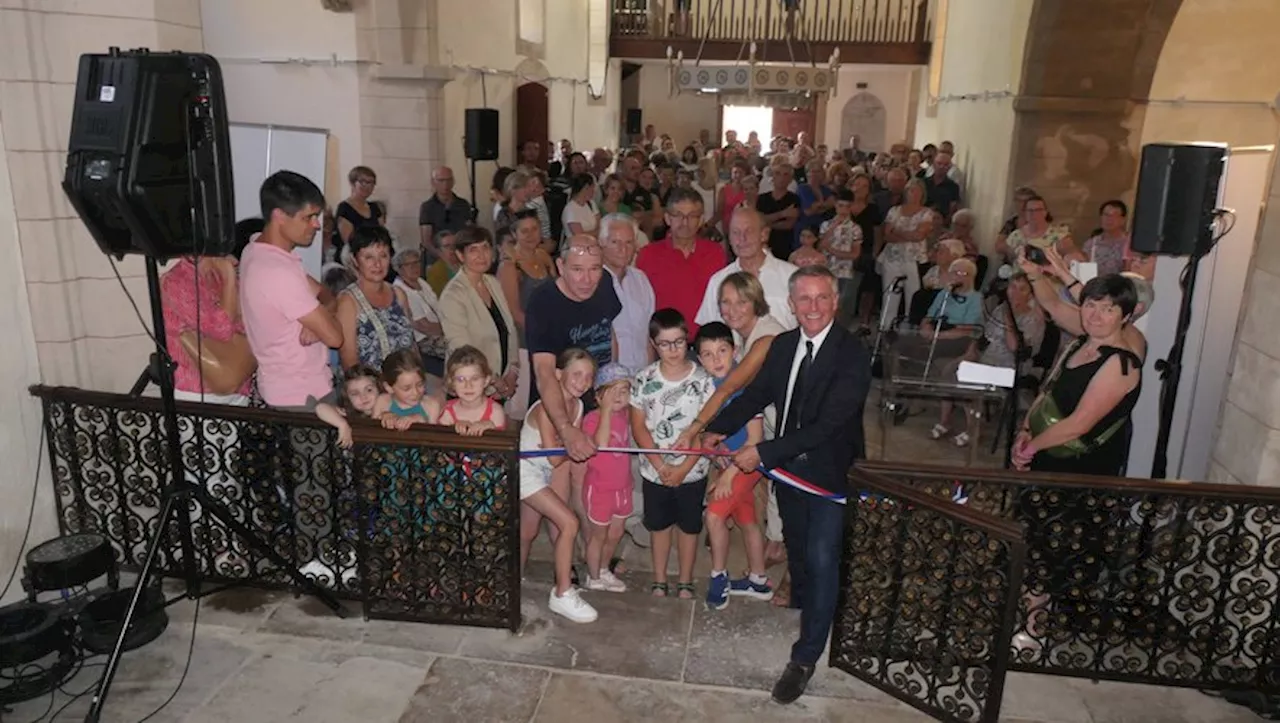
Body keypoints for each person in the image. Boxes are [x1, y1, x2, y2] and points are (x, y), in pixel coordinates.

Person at [701, 265, 871, 705]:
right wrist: (718, 428)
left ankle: (805, 656)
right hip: (788, 474)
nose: (812, 307)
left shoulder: (852, 354)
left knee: (821, 556)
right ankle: (813, 607)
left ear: (835, 303)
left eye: (821, 298)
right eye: (804, 299)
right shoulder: (782, 346)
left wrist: (763, 453)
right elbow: (758, 395)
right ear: (791, 305)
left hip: (829, 475)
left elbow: (830, 423)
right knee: (799, 551)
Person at [1013, 274, 1143, 475]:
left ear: (1125, 317)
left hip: (1080, 465)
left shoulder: (1120, 363)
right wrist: (1026, 430)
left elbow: (1079, 424)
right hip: (1046, 448)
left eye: (1108, 309)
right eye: (1090, 305)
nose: (1095, 316)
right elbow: (1048, 391)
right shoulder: (1079, 344)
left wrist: (1029, 450)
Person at [630, 308, 716, 600]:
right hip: (654, 470)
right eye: (665, 344)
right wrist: (660, 465)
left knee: (690, 527)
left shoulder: (704, 381)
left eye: (678, 342)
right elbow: (639, 426)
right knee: (659, 526)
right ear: (654, 344)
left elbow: (706, 431)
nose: (673, 350)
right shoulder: (643, 379)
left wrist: (682, 468)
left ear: (687, 340)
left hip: (693, 470)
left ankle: (686, 579)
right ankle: (659, 579)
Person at [240, 171, 342, 411]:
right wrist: (323, 322)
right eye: (309, 217)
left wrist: (319, 318)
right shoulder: (277, 271)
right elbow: (336, 337)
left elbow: (327, 295)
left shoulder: (257, 249)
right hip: (300, 394)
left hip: (295, 387)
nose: (317, 225)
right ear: (280, 216)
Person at [525, 235, 623, 463]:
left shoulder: (605, 282)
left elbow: (609, 333)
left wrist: (613, 387)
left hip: (598, 404)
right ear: (561, 266)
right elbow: (544, 371)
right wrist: (565, 428)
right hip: (559, 410)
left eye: (595, 269)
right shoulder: (543, 302)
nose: (587, 280)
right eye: (577, 269)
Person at [519, 348, 599, 623]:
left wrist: (568, 448)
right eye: (576, 374)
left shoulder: (577, 406)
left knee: (529, 531)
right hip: (526, 472)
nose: (583, 381)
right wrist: (574, 447)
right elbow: (555, 458)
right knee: (568, 523)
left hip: (543, 473)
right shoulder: (545, 408)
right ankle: (562, 593)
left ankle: (510, 581)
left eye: (589, 376)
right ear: (557, 374)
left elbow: (559, 456)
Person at [695, 322, 771, 610]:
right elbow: (709, 438)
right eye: (708, 354)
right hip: (729, 463)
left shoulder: (745, 388)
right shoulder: (707, 389)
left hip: (746, 466)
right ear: (699, 359)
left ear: (735, 351)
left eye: (722, 351)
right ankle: (758, 579)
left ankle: (718, 577)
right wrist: (717, 457)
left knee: (714, 517)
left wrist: (727, 475)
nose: (716, 360)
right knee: (747, 519)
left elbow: (755, 439)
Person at [437, 227, 521, 402]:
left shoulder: (493, 282)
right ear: (461, 256)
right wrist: (496, 382)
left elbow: (510, 329)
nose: (481, 255)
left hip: (500, 384)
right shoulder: (453, 294)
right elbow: (461, 348)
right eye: (473, 250)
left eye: (485, 248)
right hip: (470, 387)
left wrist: (512, 372)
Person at [696, 207, 798, 330]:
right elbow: (709, 331)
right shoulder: (718, 281)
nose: (742, 238)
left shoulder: (792, 277)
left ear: (764, 234)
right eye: (735, 232)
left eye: (749, 231)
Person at [580, 363, 634, 593]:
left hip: (622, 487)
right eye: (612, 391)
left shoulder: (626, 416)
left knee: (616, 533)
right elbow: (600, 445)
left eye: (624, 390)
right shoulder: (592, 419)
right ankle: (592, 576)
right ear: (599, 396)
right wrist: (605, 412)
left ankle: (603, 570)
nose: (619, 396)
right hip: (600, 488)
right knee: (598, 535)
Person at [335, 226, 415, 371]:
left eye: (383, 256)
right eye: (369, 257)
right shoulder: (348, 301)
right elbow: (349, 361)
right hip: (367, 387)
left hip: (405, 384)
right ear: (355, 260)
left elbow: (412, 346)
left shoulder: (399, 294)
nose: (377, 264)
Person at [497, 208, 556, 342]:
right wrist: (540, 332)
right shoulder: (509, 266)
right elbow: (514, 312)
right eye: (524, 231)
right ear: (514, 234)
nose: (531, 235)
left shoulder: (543, 256)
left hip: (551, 328)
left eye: (534, 229)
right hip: (526, 336)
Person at [392, 249, 448, 377]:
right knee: (458, 345)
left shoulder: (421, 282)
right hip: (423, 340)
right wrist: (448, 327)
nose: (414, 267)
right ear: (399, 269)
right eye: (408, 265)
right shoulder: (400, 290)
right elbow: (423, 326)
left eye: (416, 262)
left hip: (440, 329)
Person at [437, 345, 508, 435]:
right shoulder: (446, 411)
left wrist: (490, 428)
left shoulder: (495, 411)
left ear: (486, 381)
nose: (468, 386)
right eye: (461, 379)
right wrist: (453, 429)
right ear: (452, 382)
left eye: (474, 378)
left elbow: (501, 445)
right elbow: (440, 444)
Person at [817, 188, 862, 325]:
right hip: (827, 271)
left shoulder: (855, 229)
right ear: (835, 205)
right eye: (840, 206)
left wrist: (832, 250)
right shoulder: (825, 225)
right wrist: (833, 227)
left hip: (844, 272)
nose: (843, 210)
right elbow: (820, 246)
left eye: (847, 207)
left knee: (841, 307)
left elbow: (855, 254)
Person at [314, 364, 381, 448]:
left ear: (379, 388)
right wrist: (342, 424)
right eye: (355, 393)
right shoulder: (349, 413)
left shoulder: (389, 408)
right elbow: (320, 408)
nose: (363, 397)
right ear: (347, 397)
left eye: (369, 390)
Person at [372, 348, 440, 429]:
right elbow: (371, 433)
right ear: (389, 387)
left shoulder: (431, 405)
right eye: (406, 388)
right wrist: (384, 417)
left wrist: (421, 421)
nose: (415, 392)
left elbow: (434, 437)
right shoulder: (382, 402)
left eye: (420, 385)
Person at [418, 166, 474, 263]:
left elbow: (469, 232)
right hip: (436, 258)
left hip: (460, 256)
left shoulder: (463, 204)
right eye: (441, 180)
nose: (445, 184)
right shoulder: (427, 207)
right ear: (433, 182)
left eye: (448, 180)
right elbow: (426, 240)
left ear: (453, 181)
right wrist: (443, 256)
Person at [333, 166, 384, 263]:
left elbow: (382, 234)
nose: (368, 186)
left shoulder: (374, 207)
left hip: (373, 256)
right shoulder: (345, 208)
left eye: (371, 183)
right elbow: (349, 242)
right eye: (363, 182)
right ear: (353, 183)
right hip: (352, 259)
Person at [425, 230, 460, 297]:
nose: (452, 249)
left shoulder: (468, 264)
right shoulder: (434, 272)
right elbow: (440, 297)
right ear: (439, 251)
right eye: (447, 246)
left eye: (454, 245)